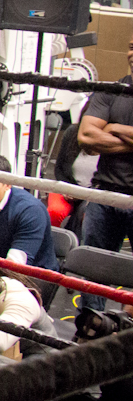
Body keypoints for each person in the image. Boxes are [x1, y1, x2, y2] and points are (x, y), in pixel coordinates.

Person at [77, 31, 133, 311]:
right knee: (94, 271)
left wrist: (113, 128)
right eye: (132, 46)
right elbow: (86, 136)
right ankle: (92, 325)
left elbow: (97, 134)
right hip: (105, 195)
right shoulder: (111, 90)